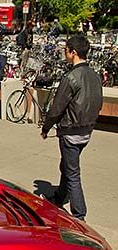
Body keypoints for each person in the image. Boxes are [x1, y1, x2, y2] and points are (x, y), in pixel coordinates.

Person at [41, 35, 102, 222]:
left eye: (66, 50)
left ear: (73, 52)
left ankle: (79, 214)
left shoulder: (71, 77)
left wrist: (46, 128)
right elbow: (98, 102)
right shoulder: (94, 75)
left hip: (71, 131)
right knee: (67, 165)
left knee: (73, 173)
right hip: (86, 130)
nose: (64, 53)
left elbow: (57, 107)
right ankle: (60, 196)